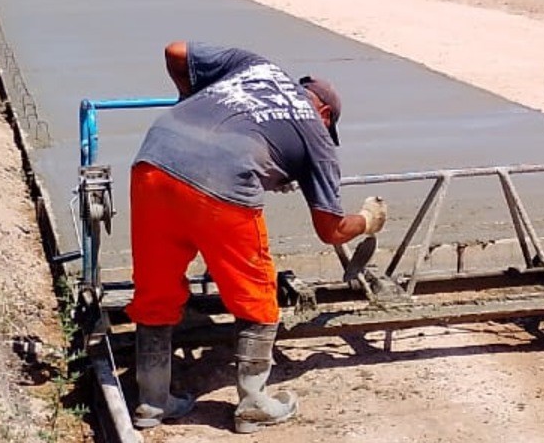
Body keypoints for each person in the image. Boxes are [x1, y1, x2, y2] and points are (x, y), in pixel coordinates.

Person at [126, 41, 388, 432]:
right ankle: (252, 404)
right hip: (223, 184)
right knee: (256, 296)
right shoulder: (315, 133)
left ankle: (151, 403)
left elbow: (175, 51)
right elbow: (330, 229)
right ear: (326, 113)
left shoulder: (257, 65)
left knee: (155, 289)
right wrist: (368, 219)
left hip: (155, 161)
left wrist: (193, 110)